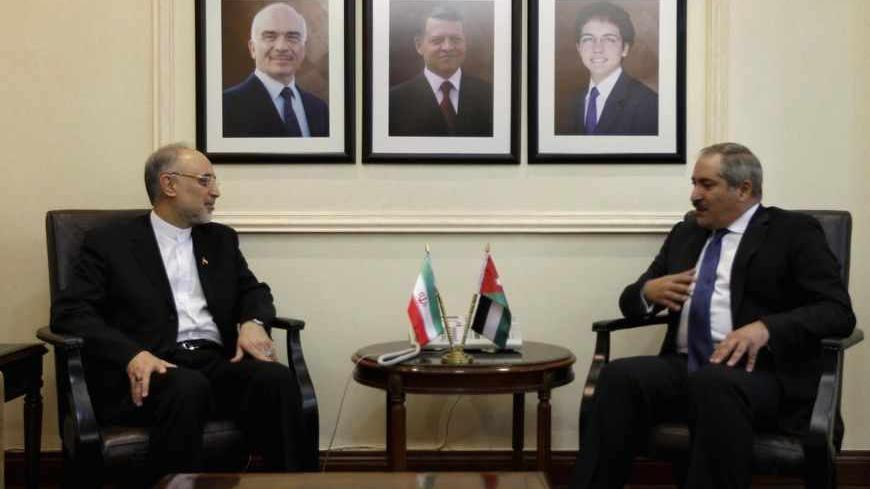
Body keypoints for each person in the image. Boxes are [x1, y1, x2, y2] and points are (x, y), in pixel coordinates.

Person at [570, 142, 855, 488]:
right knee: (617, 377)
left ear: (744, 189)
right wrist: (647, 293)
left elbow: (837, 311)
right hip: (684, 365)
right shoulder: (686, 233)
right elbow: (631, 301)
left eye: (707, 184)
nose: (694, 195)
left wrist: (767, 328)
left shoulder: (792, 231)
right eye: (694, 183)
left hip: (759, 373)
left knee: (714, 383)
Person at [51, 144, 307, 481]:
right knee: (186, 388)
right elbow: (71, 313)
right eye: (204, 181)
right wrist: (131, 354)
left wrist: (253, 322)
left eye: (214, 181)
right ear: (169, 184)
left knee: (276, 380)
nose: (215, 191)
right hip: (151, 369)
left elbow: (253, 290)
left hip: (212, 363)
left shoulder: (220, 240)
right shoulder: (110, 242)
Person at [223, 2, 329, 137]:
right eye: (270, 37)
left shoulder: (320, 109)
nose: (281, 47)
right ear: (252, 48)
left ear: (303, 49)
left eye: (292, 37)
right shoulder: (225, 107)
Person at [389, 5, 493, 137]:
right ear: (419, 45)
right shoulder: (394, 102)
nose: (448, 47)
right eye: (437, 40)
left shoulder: (489, 96)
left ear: (465, 42)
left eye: (455, 39)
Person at [567, 2, 657, 135]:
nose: (597, 49)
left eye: (609, 39)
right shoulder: (573, 101)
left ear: (625, 49)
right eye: (588, 39)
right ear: (578, 48)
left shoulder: (649, 105)